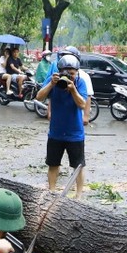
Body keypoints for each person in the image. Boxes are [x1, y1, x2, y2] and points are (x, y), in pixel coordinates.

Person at [36, 54, 89, 198]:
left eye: (72, 73)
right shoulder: (53, 80)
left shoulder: (80, 82)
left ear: (77, 72)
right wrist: (51, 84)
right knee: (53, 164)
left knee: (78, 166)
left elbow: (82, 104)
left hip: (75, 133)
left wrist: (73, 90)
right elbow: (39, 97)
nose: (69, 76)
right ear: (59, 72)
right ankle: (52, 193)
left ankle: (78, 196)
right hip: (56, 132)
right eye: (65, 73)